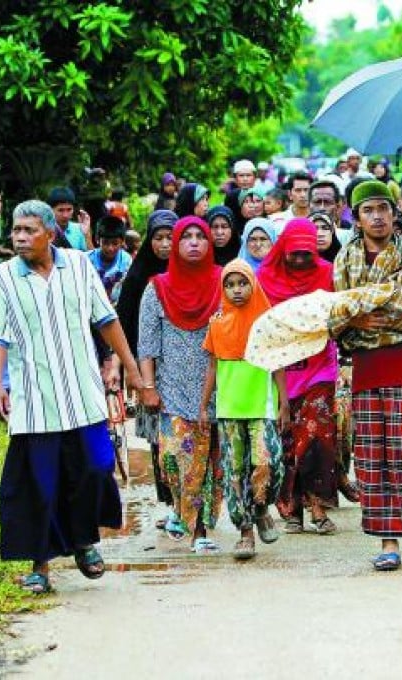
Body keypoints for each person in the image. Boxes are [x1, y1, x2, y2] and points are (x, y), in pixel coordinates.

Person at [0, 199, 144, 594]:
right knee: (41, 485)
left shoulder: (79, 266)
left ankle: (83, 541)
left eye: (29, 230)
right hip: (35, 402)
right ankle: (40, 566)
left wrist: (131, 369)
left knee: (96, 467)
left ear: (50, 234)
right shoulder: (5, 277)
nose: (20, 238)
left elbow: (106, 319)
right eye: (16, 230)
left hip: (83, 394)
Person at [333, 180, 402, 570]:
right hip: (369, 372)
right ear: (356, 218)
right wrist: (356, 319)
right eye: (368, 210)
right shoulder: (345, 264)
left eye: (383, 208)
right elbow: (333, 316)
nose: (377, 217)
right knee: (377, 463)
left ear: (393, 213)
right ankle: (389, 542)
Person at [138, 215, 224, 553]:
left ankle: (199, 529)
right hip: (171, 388)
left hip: (216, 387)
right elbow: (147, 345)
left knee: (208, 463)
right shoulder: (156, 288)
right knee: (174, 458)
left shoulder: (223, 282)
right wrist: (148, 387)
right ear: (175, 244)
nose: (193, 242)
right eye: (186, 236)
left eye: (200, 236)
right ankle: (181, 510)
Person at [257, 218, 343, 534]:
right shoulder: (264, 278)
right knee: (288, 439)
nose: (300, 260)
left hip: (320, 366)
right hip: (280, 369)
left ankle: (318, 507)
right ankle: (292, 509)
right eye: (294, 254)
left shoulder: (328, 273)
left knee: (317, 436)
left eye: (307, 254)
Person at [200, 258, 286, 560]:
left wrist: (284, 402)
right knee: (234, 470)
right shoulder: (217, 323)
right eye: (230, 285)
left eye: (242, 283)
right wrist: (204, 405)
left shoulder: (266, 323)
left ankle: (262, 506)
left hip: (261, 404)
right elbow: (212, 367)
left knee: (267, 462)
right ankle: (245, 531)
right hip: (229, 408)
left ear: (254, 284)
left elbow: (277, 364)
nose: (236, 290)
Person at [116, 210, 177, 520]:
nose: (165, 244)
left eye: (170, 238)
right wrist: (131, 370)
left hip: (184, 365)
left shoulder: (190, 271)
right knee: (159, 437)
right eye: (158, 238)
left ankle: (190, 500)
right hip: (149, 365)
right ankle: (170, 501)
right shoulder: (138, 277)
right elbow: (124, 323)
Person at [86, 215, 131, 304]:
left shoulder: (126, 260)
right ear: (97, 240)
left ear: (122, 241)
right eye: (105, 243)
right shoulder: (88, 259)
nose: (110, 248)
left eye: (115, 243)